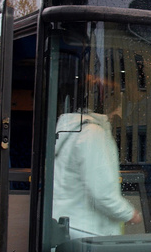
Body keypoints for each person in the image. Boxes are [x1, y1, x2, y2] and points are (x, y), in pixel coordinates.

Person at [53, 79, 141, 238]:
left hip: (68, 225)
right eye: (116, 100)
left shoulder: (70, 129)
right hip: (87, 232)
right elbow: (102, 193)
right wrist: (130, 214)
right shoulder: (93, 133)